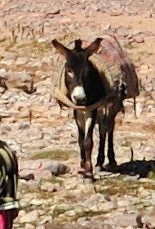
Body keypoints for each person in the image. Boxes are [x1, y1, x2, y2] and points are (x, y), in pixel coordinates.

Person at [53, 36, 139, 176]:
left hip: (94, 95)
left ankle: (97, 159)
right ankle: (85, 161)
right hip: (77, 92)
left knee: (102, 126)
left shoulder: (91, 74)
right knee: (82, 130)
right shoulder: (71, 66)